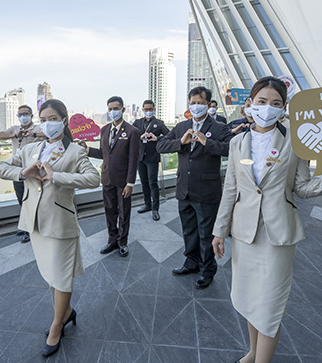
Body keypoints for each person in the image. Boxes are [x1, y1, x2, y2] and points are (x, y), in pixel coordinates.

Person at [211, 77, 322, 363]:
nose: (268, 108)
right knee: (249, 299)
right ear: (249, 105)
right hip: (244, 234)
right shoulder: (237, 142)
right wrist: (219, 230)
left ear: (284, 110)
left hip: (277, 236)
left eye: (276, 103)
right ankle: (253, 353)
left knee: (268, 307)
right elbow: (231, 190)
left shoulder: (294, 141)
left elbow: (302, 186)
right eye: (262, 101)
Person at [0, 99, 100, 357]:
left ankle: (57, 325)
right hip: (34, 221)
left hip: (60, 221)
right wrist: (24, 172)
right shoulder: (31, 148)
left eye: (53, 118)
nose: (48, 123)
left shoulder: (75, 151)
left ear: (64, 120)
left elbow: (93, 178)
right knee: (50, 274)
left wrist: (57, 176)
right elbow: (1, 168)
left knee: (61, 275)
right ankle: (67, 312)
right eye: (44, 119)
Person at [157, 86, 232, 289]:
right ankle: (191, 263)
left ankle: (208, 270)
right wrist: (180, 142)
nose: (196, 106)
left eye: (200, 102)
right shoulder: (181, 127)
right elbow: (160, 145)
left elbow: (231, 149)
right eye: (193, 102)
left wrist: (207, 142)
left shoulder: (218, 127)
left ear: (208, 104)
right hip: (184, 188)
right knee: (189, 230)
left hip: (207, 190)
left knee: (206, 234)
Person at [85, 96, 141, 257]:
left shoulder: (132, 132)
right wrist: (87, 149)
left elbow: (133, 159)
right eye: (110, 109)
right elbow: (104, 154)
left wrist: (130, 183)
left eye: (116, 109)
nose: (112, 112)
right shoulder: (104, 130)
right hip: (107, 178)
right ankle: (112, 240)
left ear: (123, 110)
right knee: (109, 211)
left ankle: (123, 242)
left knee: (124, 212)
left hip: (123, 181)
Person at [0, 104, 43, 242]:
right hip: (18, 170)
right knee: (21, 198)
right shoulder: (15, 129)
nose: (23, 117)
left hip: (34, 169)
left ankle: (34, 228)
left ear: (32, 115)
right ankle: (26, 226)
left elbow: (48, 134)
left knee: (33, 199)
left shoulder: (38, 128)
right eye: (20, 115)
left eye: (25, 114)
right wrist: (15, 135)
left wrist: (32, 134)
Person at [132, 100, 170, 221]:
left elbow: (169, 135)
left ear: (154, 109)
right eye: (146, 109)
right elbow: (130, 135)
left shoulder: (159, 123)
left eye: (150, 109)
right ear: (142, 110)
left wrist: (157, 138)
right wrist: (139, 137)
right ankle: (147, 204)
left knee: (152, 183)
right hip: (140, 157)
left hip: (152, 157)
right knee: (144, 182)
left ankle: (155, 209)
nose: (148, 111)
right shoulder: (138, 122)